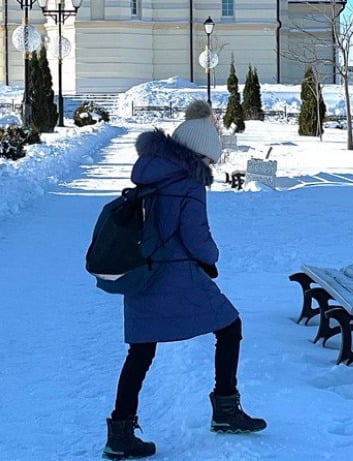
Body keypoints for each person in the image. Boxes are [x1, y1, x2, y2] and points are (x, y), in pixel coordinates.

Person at [102, 100, 267, 460]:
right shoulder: (188, 182)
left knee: (141, 350)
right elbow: (196, 235)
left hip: (142, 272)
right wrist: (212, 258)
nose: (209, 166)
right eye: (209, 160)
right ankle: (225, 409)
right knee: (230, 325)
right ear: (199, 154)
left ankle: (120, 431)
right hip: (175, 272)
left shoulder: (151, 170)